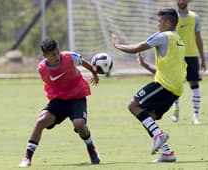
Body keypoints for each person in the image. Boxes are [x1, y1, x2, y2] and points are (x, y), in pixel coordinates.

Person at [111, 8, 186, 162]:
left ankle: (159, 136)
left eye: (159, 21)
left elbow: (136, 48)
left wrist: (117, 45)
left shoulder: (163, 36)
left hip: (164, 86)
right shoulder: (178, 39)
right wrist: (145, 65)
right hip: (176, 89)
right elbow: (168, 70)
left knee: (133, 106)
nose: (157, 24)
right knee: (148, 118)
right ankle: (167, 153)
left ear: (167, 22)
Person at [19, 39, 100, 167]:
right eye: (52, 55)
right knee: (40, 121)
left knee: (79, 124)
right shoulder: (41, 69)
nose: (57, 56)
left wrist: (94, 72)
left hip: (76, 97)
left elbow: (84, 63)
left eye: (57, 52)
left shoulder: (69, 57)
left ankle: (91, 148)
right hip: (58, 101)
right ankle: (27, 159)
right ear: (45, 56)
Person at [171, 0, 206, 125]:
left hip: (191, 55)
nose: (181, 1)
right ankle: (176, 109)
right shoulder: (171, 16)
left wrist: (202, 58)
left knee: (194, 84)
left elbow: (198, 38)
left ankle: (196, 116)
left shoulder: (194, 17)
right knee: (175, 85)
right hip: (176, 55)